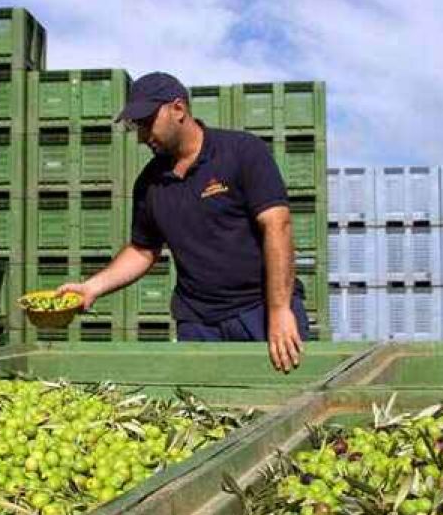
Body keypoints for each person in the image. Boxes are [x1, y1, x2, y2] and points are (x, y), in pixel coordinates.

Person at [57, 72, 309, 372]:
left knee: (281, 395)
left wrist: (280, 310)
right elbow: (143, 250)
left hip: (261, 310)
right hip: (198, 322)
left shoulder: (242, 151)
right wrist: (91, 287)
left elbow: (277, 225)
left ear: (178, 109)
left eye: (147, 122)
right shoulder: (149, 184)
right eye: (136, 126)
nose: (141, 136)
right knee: (199, 401)